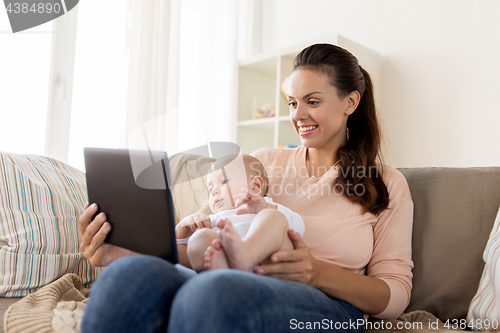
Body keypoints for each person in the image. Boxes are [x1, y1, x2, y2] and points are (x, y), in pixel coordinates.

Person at [79, 43, 413, 333]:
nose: (298, 115)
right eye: (292, 103)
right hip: (231, 278)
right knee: (129, 277)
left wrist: (317, 272)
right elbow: (211, 248)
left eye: (312, 101)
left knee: (212, 292)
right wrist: (121, 252)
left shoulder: (385, 183)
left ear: (350, 102)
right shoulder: (260, 163)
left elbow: (395, 295)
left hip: (329, 306)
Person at [175, 154, 305, 272]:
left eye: (224, 181)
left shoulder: (265, 206)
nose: (214, 191)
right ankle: (221, 269)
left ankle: (247, 255)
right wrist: (186, 225)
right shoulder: (211, 219)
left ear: (255, 185)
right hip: (224, 266)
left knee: (274, 217)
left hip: (267, 265)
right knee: (199, 238)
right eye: (210, 188)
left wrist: (266, 208)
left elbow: (299, 228)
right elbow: (178, 241)